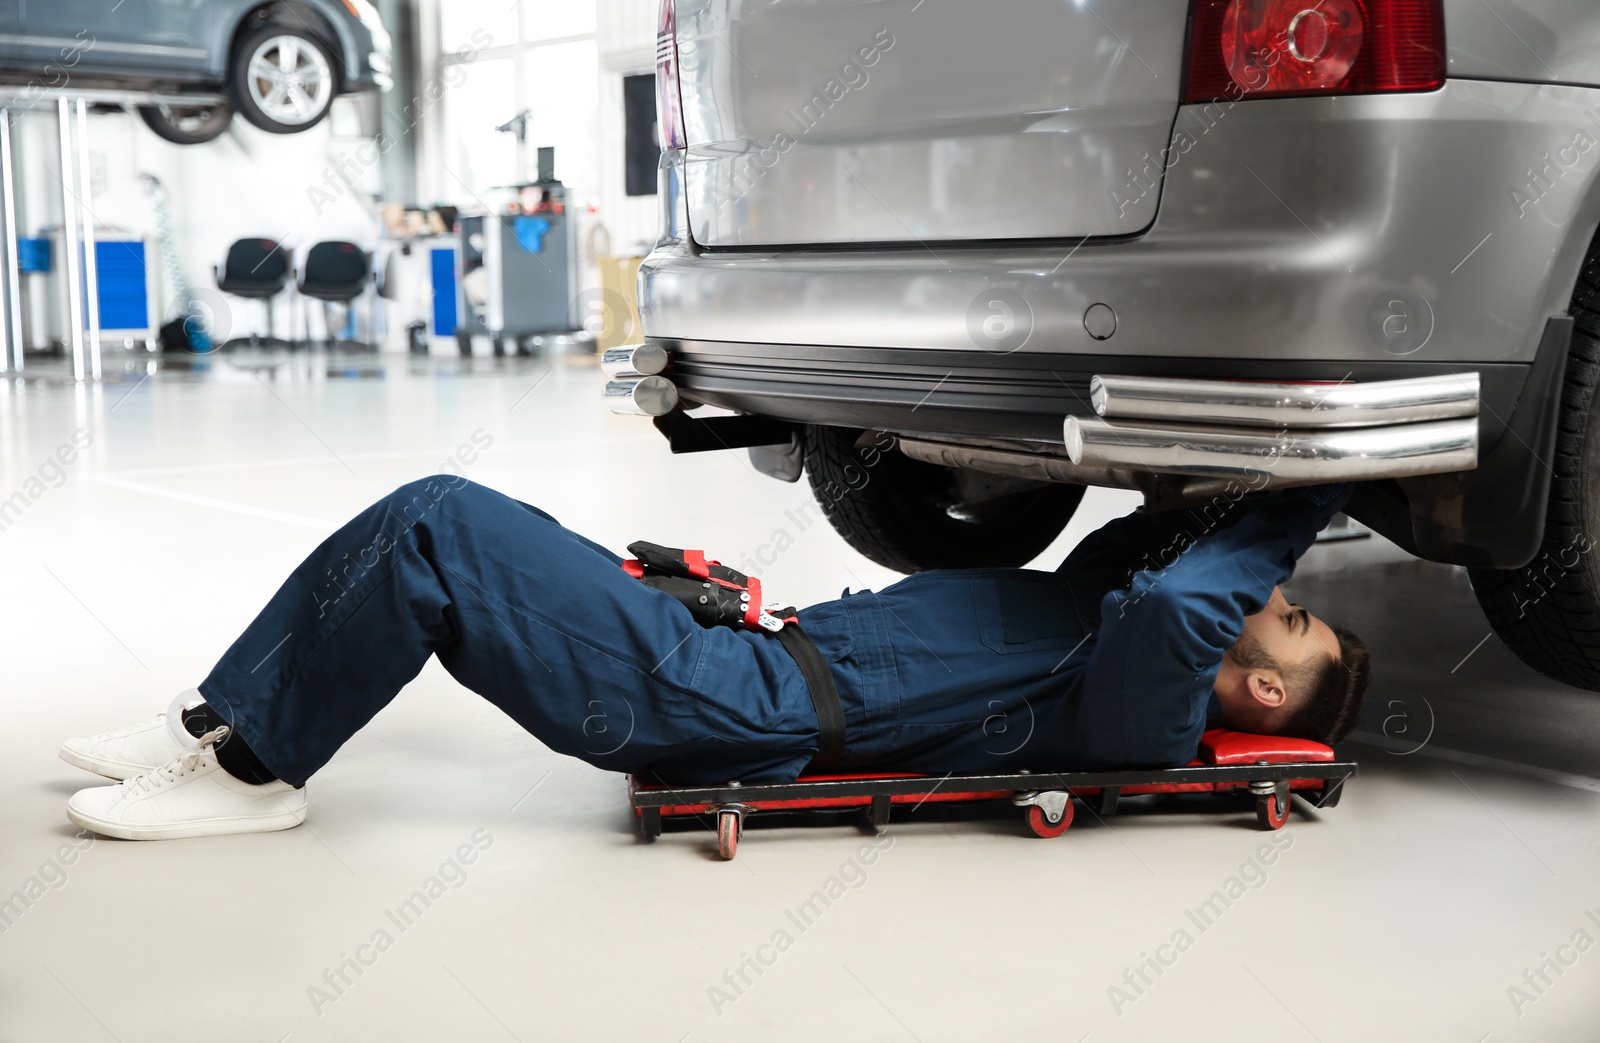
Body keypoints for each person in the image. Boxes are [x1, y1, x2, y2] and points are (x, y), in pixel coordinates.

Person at [57, 474, 1370, 841]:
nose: (1278, 598)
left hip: (719, 702)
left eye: (1292, 618)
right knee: (446, 521)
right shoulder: (1095, 622)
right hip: (733, 652)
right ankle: (212, 719)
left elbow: (1185, 597)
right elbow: (1151, 551)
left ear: (1260, 692)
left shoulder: (1141, 707)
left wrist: (1313, 487)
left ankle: (255, 770)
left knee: (436, 525)